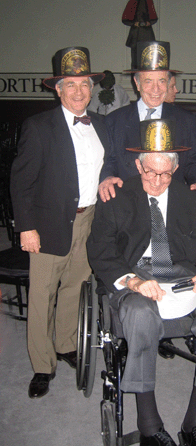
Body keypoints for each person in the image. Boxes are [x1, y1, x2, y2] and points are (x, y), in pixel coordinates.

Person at [87, 119, 196, 446]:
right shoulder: (115, 197)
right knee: (142, 315)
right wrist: (132, 282)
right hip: (135, 279)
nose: (157, 182)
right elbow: (99, 251)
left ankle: (195, 421)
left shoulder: (188, 198)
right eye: (149, 172)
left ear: (176, 168)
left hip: (182, 278)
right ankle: (149, 423)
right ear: (138, 165)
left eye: (166, 174)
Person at [10, 47, 108, 399]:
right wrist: (27, 227)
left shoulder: (101, 124)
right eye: (71, 84)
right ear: (58, 89)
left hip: (89, 219)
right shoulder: (38, 127)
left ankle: (67, 345)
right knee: (42, 297)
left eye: (84, 83)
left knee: (75, 287)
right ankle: (41, 365)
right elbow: (21, 182)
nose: (79, 91)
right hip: (48, 223)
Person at [99, 41, 196, 212]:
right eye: (148, 81)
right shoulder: (115, 120)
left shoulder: (186, 120)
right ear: (137, 84)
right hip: (128, 206)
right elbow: (109, 160)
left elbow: (195, 161)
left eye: (161, 81)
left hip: (172, 205)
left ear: (168, 82)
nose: (156, 89)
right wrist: (107, 177)